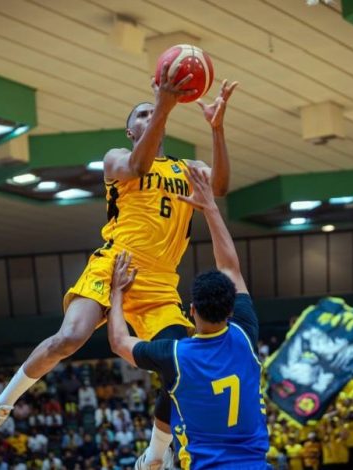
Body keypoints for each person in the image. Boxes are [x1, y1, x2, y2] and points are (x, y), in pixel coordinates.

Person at [0, 59, 239, 467]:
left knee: (180, 369)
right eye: (141, 115)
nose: (150, 115)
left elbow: (222, 186)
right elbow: (139, 166)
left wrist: (217, 129)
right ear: (131, 131)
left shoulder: (188, 169)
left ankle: (155, 456)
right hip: (113, 265)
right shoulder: (116, 158)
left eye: (152, 111)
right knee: (70, 338)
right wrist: (164, 103)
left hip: (160, 284)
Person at [106, 167, 268, 469]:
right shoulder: (245, 333)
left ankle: (156, 456)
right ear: (231, 310)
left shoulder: (176, 354)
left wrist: (116, 293)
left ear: (191, 310)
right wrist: (210, 208)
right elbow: (230, 268)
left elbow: (118, 341)